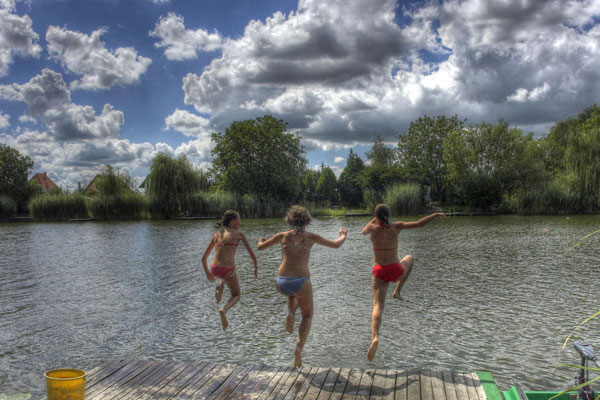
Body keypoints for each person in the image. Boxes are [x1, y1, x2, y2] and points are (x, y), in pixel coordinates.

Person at [257, 205, 347, 368]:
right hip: (301, 281)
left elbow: (261, 248)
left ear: (290, 220)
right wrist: (343, 235)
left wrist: (260, 241)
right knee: (307, 315)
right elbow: (336, 244)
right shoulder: (311, 237)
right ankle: (298, 348)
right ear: (307, 221)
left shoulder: (282, 235)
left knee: (292, 294)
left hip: (282, 282)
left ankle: (291, 313)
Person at [361, 204, 445, 362]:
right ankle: (398, 291)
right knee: (410, 258)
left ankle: (375, 337)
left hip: (379, 271)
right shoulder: (396, 226)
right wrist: (434, 214)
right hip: (396, 269)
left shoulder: (372, 229)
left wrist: (375, 219)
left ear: (376, 216)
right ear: (389, 215)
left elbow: (363, 231)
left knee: (377, 306)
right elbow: (419, 223)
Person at [202, 210, 258, 331]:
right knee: (236, 295)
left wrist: (208, 274)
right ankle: (224, 310)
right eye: (238, 219)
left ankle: (220, 285)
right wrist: (255, 269)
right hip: (227, 270)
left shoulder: (217, 234)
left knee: (227, 271)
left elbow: (203, 259)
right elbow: (252, 255)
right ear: (232, 221)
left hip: (214, 269)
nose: (240, 222)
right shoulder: (239, 234)